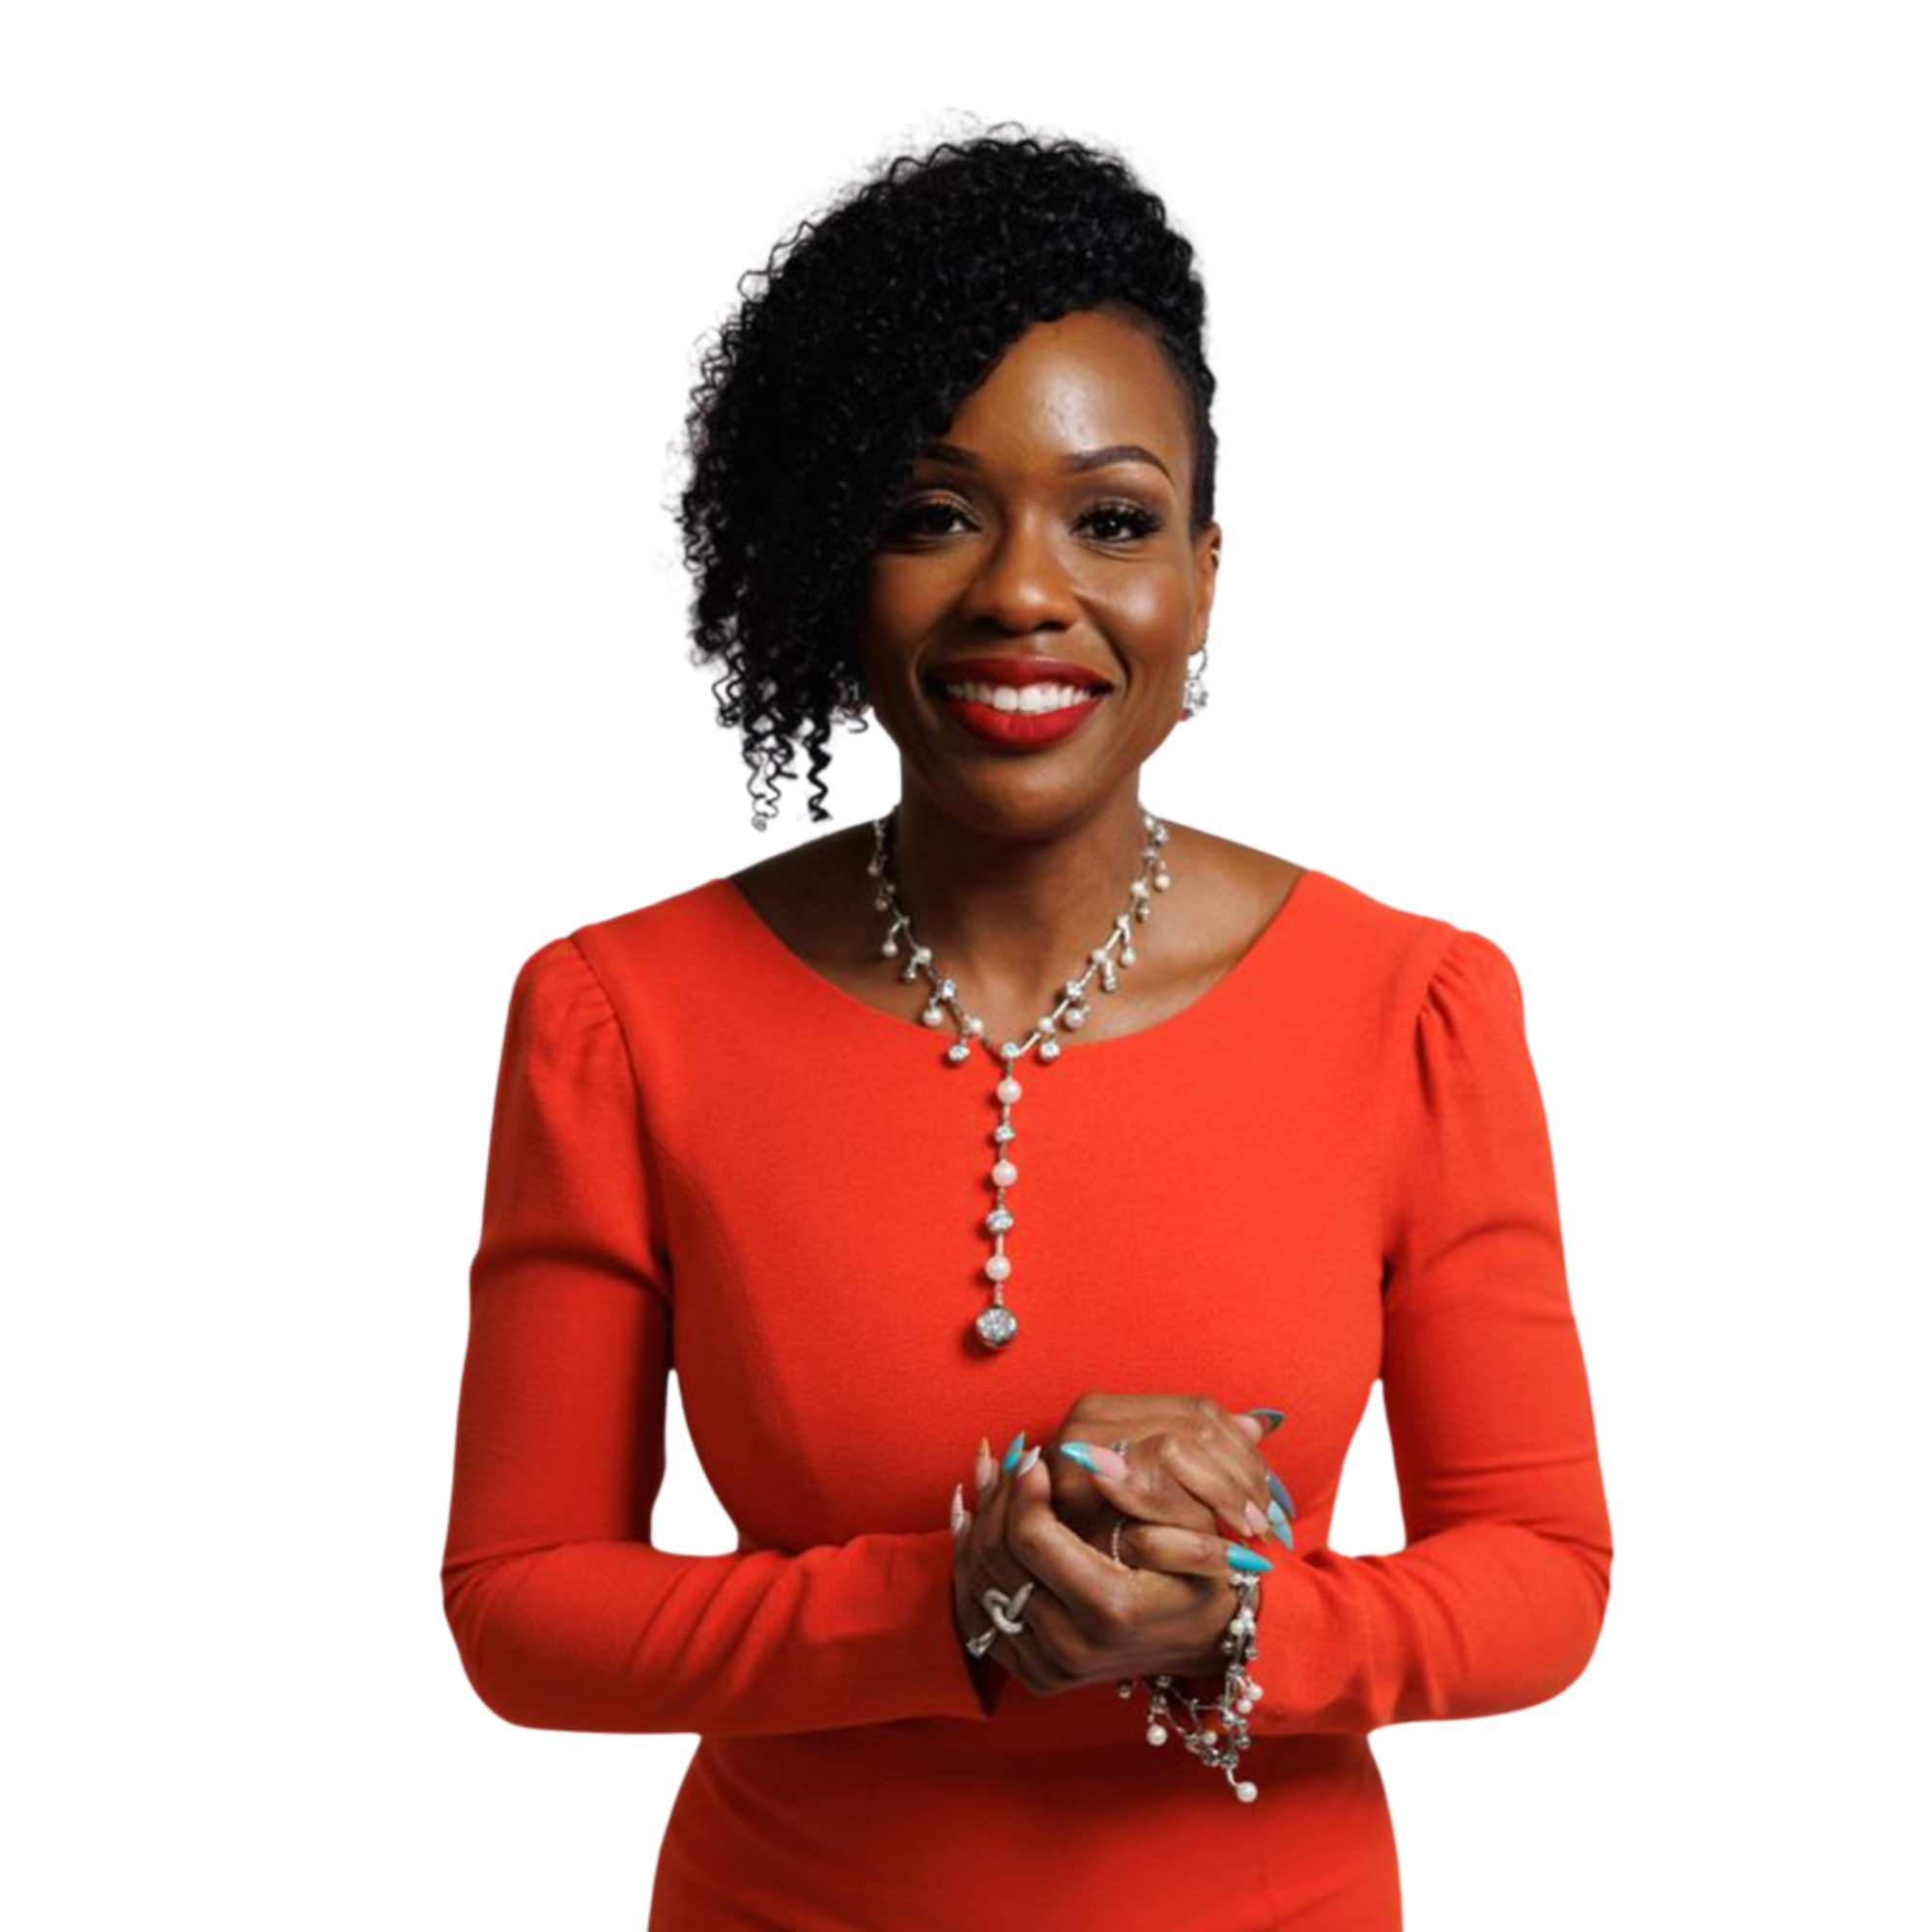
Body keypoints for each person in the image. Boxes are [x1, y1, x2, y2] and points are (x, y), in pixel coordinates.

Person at [440, 125, 1613, 1929]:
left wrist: (1243, 1617)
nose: (1023, 592)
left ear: (1205, 575)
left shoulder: (1416, 1008)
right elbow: (522, 1606)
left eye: (1114, 517)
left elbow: (1546, 1573)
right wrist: (949, 1601)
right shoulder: (620, 1017)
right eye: (931, 514)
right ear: (833, 557)